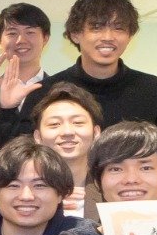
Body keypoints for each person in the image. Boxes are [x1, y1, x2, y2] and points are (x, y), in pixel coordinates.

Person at [0, 0, 157, 145]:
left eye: (119, 28)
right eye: (96, 28)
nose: (108, 37)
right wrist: (7, 110)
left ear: (129, 36)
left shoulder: (155, 90)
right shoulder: (44, 92)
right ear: (75, 34)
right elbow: (19, 157)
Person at [30, 83, 104, 217]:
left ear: (96, 132)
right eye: (54, 124)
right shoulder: (22, 192)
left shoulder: (110, 188)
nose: (67, 132)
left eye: (78, 123)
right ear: (38, 137)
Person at [0, 1, 52, 124]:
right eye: (12, 33)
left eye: (30, 32)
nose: (21, 40)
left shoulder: (59, 89)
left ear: (45, 39)